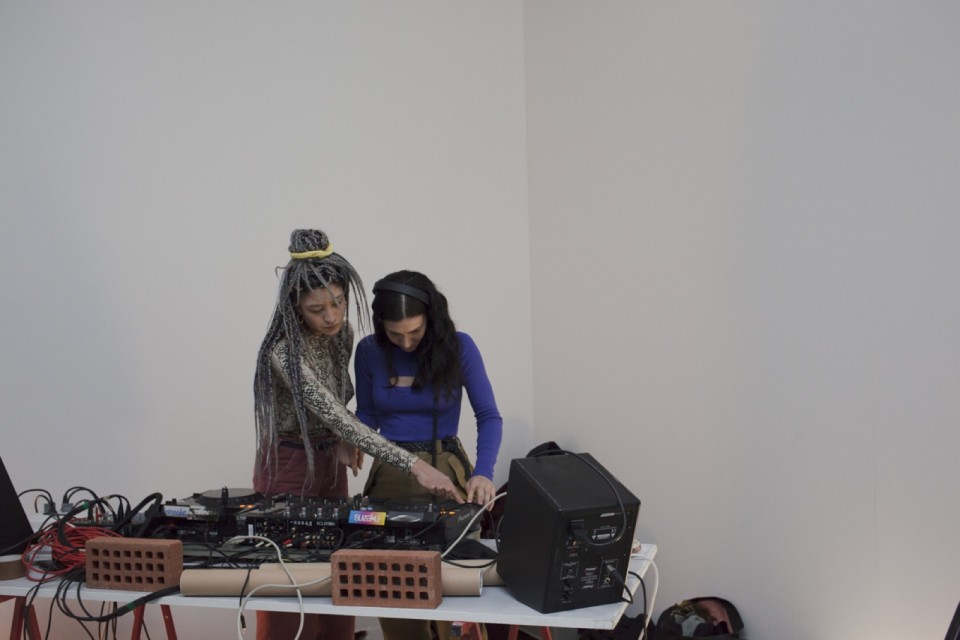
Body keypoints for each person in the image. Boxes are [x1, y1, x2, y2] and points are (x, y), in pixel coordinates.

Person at [252, 231, 461, 640]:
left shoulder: (343, 336)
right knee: (286, 583)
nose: (331, 316)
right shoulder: (283, 352)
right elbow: (332, 412)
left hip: (330, 460)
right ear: (295, 307)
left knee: (338, 569)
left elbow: (339, 408)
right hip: (289, 463)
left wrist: (344, 434)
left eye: (339, 302)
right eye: (317, 309)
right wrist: (414, 465)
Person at [354, 270, 504, 640]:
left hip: (447, 471)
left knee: (457, 592)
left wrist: (483, 472)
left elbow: (488, 416)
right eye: (395, 334)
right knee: (393, 590)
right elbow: (368, 415)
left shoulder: (460, 347)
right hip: (390, 475)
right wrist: (348, 436)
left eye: (415, 332)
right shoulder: (369, 351)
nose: (406, 343)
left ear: (431, 318)